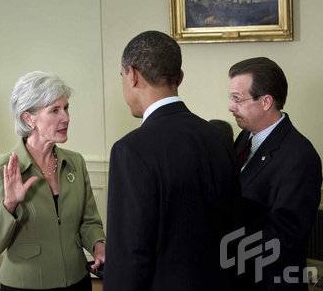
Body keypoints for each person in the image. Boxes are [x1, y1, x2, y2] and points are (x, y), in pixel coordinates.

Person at [104, 30, 241, 291]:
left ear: (132, 74)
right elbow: (234, 234)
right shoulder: (219, 139)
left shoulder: (130, 150)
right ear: (179, 77)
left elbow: (129, 256)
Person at [0, 71, 106, 291]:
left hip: (78, 281)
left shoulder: (75, 163)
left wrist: (98, 244)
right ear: (28, 118)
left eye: (66, 108)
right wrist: (9, 204)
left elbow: (89, 222)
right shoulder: (2, 170)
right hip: (25, 285)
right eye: (54, 110)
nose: (66, 117)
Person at [227, 57, 322, 290]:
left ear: (266, 102)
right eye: (231, 99)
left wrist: (219, 247)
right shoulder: (245, 138)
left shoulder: (300, 157)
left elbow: (283, 238)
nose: (231, 107)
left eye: (237, 99)